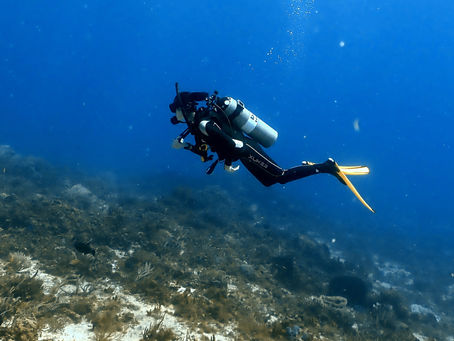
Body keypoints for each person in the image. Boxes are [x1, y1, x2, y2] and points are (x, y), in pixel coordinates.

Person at [169, 83, 375, 213]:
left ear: (184, 109)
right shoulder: (198, 126)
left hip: (247, 149)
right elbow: (209, 151)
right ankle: (319, 167)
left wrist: (232, 158)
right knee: (268, 182)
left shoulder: (204, 124)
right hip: (242, 153)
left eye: (176, 110)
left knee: (282, 176)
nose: (175, 116)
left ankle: (327, 166)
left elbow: (230, 143)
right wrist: (186, 146)